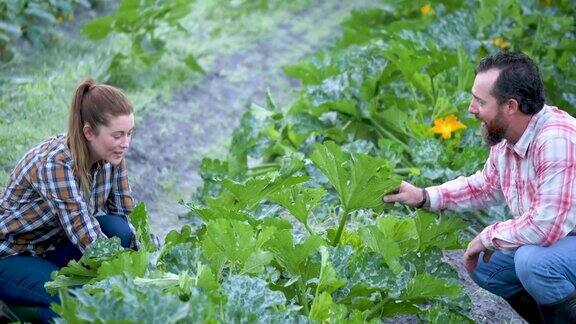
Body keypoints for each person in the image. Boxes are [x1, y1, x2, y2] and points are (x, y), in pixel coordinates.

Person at [383, 51, 576, 323]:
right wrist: (424, 196)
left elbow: (547, 225)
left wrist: (488, 235)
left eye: (480, 101)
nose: (471, 108)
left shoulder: (556, 139)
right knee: (488, 267)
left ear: (511, 106)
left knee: (533, 263)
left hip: (561, 239)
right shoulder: (508, 138)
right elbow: (484, 186)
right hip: (563, 241)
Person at [0, 79, 137, 322]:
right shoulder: (55, 163)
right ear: (88, 132)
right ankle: (16, 309)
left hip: (53, 246)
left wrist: (153, 262)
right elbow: (83, 230)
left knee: (120, 230)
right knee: (80, 300)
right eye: (117, 135)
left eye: (129, 134)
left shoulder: (112, 155)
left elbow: (126, 218)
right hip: (13, 255)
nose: (125, 143)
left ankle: (48, 289)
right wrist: (128, 283)